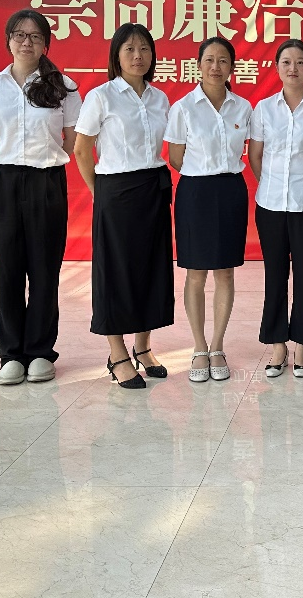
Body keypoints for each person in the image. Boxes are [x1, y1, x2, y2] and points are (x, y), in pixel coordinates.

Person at [0, 9, 81, 386]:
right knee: (4, 271)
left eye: (35, 36)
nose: (26, 42)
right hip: (2, 182)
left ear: (46, 44)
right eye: (19, 35)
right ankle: (11, 354)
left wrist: (43, 162)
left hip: (46, 181)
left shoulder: (63, 86)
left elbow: (70, 139)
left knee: (44, 269)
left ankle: (39, 351)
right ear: (8, 40)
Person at [73, 22, 174, 390]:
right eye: (129, 49)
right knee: (115, 272)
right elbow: (82, 150)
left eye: (144, 48)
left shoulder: (160, 98)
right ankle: (117, 354)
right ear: (116, 55)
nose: (137, 55)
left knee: (151, 269)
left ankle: (143, 347)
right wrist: (100, 193)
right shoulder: (101, 96)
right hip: (115, 190)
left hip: (153, 188)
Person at [166, 36, 253, 384]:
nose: (216, 67)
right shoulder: (183, 108)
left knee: (226, 272)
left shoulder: (243, 108)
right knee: (196, 273)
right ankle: (199, 347)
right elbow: (176, 157)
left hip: (231, 191)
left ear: (232, 67)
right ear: (198, 65)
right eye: (209, 60)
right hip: (196, 192)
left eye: (223, 61)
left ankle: (218, 346)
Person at [249, 39, 303, 379]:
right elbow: (256, 156)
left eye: (300, 62)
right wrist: (272, 184)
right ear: (277, 68)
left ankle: (301, 343)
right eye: (286, 62)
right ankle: (277, 346)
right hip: (270, 205)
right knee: (274, 276)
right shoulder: (264, 109)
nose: (293, 68)